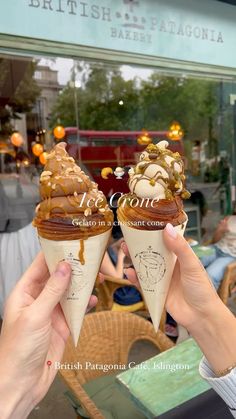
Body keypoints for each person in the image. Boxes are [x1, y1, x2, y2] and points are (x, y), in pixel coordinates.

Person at [0, 224, 235, 418]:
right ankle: (171, 325)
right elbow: (116, 275)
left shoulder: (103, 248)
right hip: (124, 290)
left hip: (125, 287)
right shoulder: (100, 249)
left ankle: (170, 324)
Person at [200, 215, 236, 289]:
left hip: (230, 256)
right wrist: (220, 230)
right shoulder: (229, 218)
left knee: (210, 275)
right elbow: (214, 241)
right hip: (216, 248)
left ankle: (208, 299)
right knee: (193, 258)